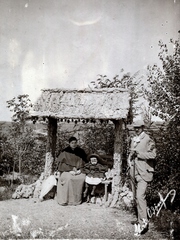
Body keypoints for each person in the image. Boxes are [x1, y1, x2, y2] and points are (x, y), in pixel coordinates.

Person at [127, 120, 156, 236]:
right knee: (136, 197)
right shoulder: (134, 139)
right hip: (133, 172)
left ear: (143, 127)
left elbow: (153, 155)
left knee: (140, 197)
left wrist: (139, 154)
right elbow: (131, 153)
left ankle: (144, 222)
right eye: (135, 128)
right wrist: (129, 162)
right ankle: (140, 221)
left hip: (144, 172)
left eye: (138, 127)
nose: (136, 129)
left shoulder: (148, 139)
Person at [56, 137, 87, 205]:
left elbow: (84, 162)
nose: (74, 144)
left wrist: (80, 170)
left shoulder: (81, 151)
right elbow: (61, 164)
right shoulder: (64, 151)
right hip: (66, 170)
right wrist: (70, 170)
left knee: (81, 178)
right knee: (69, 179)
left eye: (75, 143)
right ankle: (66, 200)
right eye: (72, 143)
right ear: (69, 143)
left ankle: (76, 200)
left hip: (78, 170)